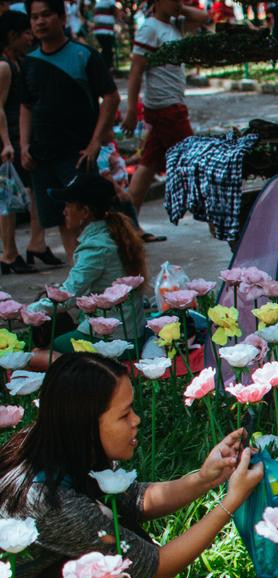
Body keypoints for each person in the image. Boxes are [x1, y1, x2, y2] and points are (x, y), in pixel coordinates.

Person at [0, 353, 263, 578]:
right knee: (119, 575)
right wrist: (231, 501)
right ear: (86, 424)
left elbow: (132, 498)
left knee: (121, 533)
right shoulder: (53, 503)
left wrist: (206, 478)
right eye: (124, 414)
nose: (136, 420)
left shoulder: (49, 445)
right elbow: (158, 566)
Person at [20, 0, 118, 261]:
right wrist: (23, 146)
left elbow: (110, 97)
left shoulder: (83, 55)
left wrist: (96, 142)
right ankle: (80, 282)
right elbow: (26, 106)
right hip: (42, 155)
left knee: (89, 218)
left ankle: (103, 283)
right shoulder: (29, 61)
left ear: (63, 18)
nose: (40, 21)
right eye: (34, 17)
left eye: (47, 14)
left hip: (77, 154)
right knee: (65, 220)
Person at [27, 173, 147, 360]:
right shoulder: (112, 232)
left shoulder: (96, 246)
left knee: (40, 354)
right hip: (131, 330)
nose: (64, 211)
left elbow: (68, 296)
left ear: (85, 212)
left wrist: (28, 311)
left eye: (68, 205)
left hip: (116, 339)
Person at [122, 0, 209, 217]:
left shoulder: (174, 25)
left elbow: (204, 18)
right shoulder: (150, 28)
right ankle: (215, 219)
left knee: (148, 164)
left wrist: (179, 9)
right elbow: (136, 70)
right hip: (166, 108)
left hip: (170, 106)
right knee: (194, 162)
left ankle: (128, 222)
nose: (178, 3)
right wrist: (132, 109)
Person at [0, 10, 48, 274]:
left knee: (29, 192)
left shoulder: (16, 62)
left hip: (18, 139)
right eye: (26, 32)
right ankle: (8, 254)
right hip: (8, 142)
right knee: (7, 199)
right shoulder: (4, 66)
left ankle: (34, 245)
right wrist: (7, 142)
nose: (31, 36)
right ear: (12, 36)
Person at [92, 0, 118, 69]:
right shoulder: (110, 1)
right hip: (106, 31)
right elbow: (116, 12)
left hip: (99, 30)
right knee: (107, 51)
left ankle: (105, 68)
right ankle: (106, 68)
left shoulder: (99, 2)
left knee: (105, 50)